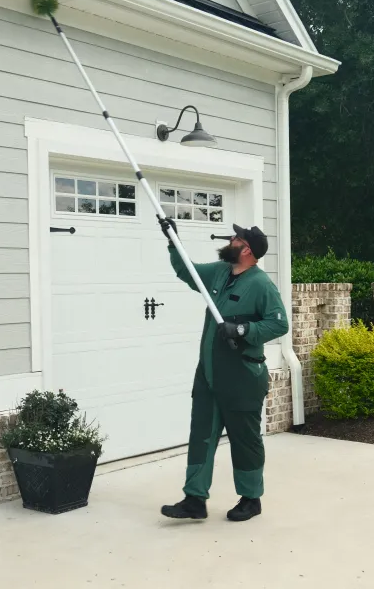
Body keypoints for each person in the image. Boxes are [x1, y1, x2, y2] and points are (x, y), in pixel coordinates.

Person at [158, 217, 289, 522]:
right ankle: (194, 499)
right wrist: (172, 241)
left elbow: (279, 323)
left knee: (244, 439)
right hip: (209, 374)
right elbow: (187, 271)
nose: (231, 240)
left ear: (246, 251)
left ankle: (251, 498)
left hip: (243, 377)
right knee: (201, 434)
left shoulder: (261, 285)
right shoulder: (220, 272)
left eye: (236, 239)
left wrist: (242, 329)